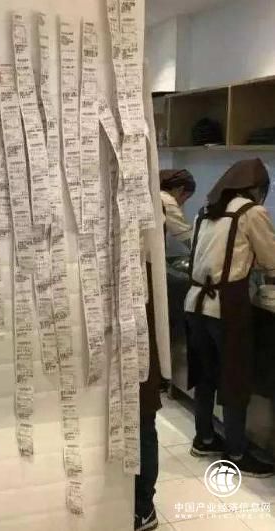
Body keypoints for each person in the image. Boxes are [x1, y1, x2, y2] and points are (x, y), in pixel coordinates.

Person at [185, 158, 275, 477]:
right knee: (235, 378)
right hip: (227, 305)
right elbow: (271, 258)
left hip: (195, 303)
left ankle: (205, 438)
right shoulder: (251, 212)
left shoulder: (206, 211)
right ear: (256, 189)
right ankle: (236, 452)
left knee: (206, 376)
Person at [135, 169, 196, 531]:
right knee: (144, 418)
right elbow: (187, 237)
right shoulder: (164, 201)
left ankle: (141, 506)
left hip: (142, 323)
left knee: (142, 417)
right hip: (144, 323)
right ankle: (142, 505)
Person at [160, 169, 196, 247]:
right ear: (180, 190)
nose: (182, 203)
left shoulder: (157, 195)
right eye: (186, 198)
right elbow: (190, 240)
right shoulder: (166, 201)